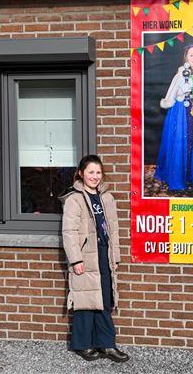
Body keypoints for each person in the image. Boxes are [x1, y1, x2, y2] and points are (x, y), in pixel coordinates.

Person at [59, 155, 129, 363]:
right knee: (86, 300)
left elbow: (113, 230)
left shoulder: (107, 198)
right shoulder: (75, 199)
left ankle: (106, 344)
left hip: (103, 254)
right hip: (85, 255)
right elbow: (69, 232)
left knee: (104, 299)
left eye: (98, 172)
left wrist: (115, 255)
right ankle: (82, 345)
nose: (95, 177)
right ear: (81, 173)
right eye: (90, 172)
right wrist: (76, 260)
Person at [154, 44, 193, 191]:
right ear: (186, 58)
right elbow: (171, 96)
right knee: (179, 143)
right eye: (191, 55)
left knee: (191, 142)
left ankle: (188, 173)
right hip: (181, 114)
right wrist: (182, 90)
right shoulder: (181, 74)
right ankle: (177, 176)